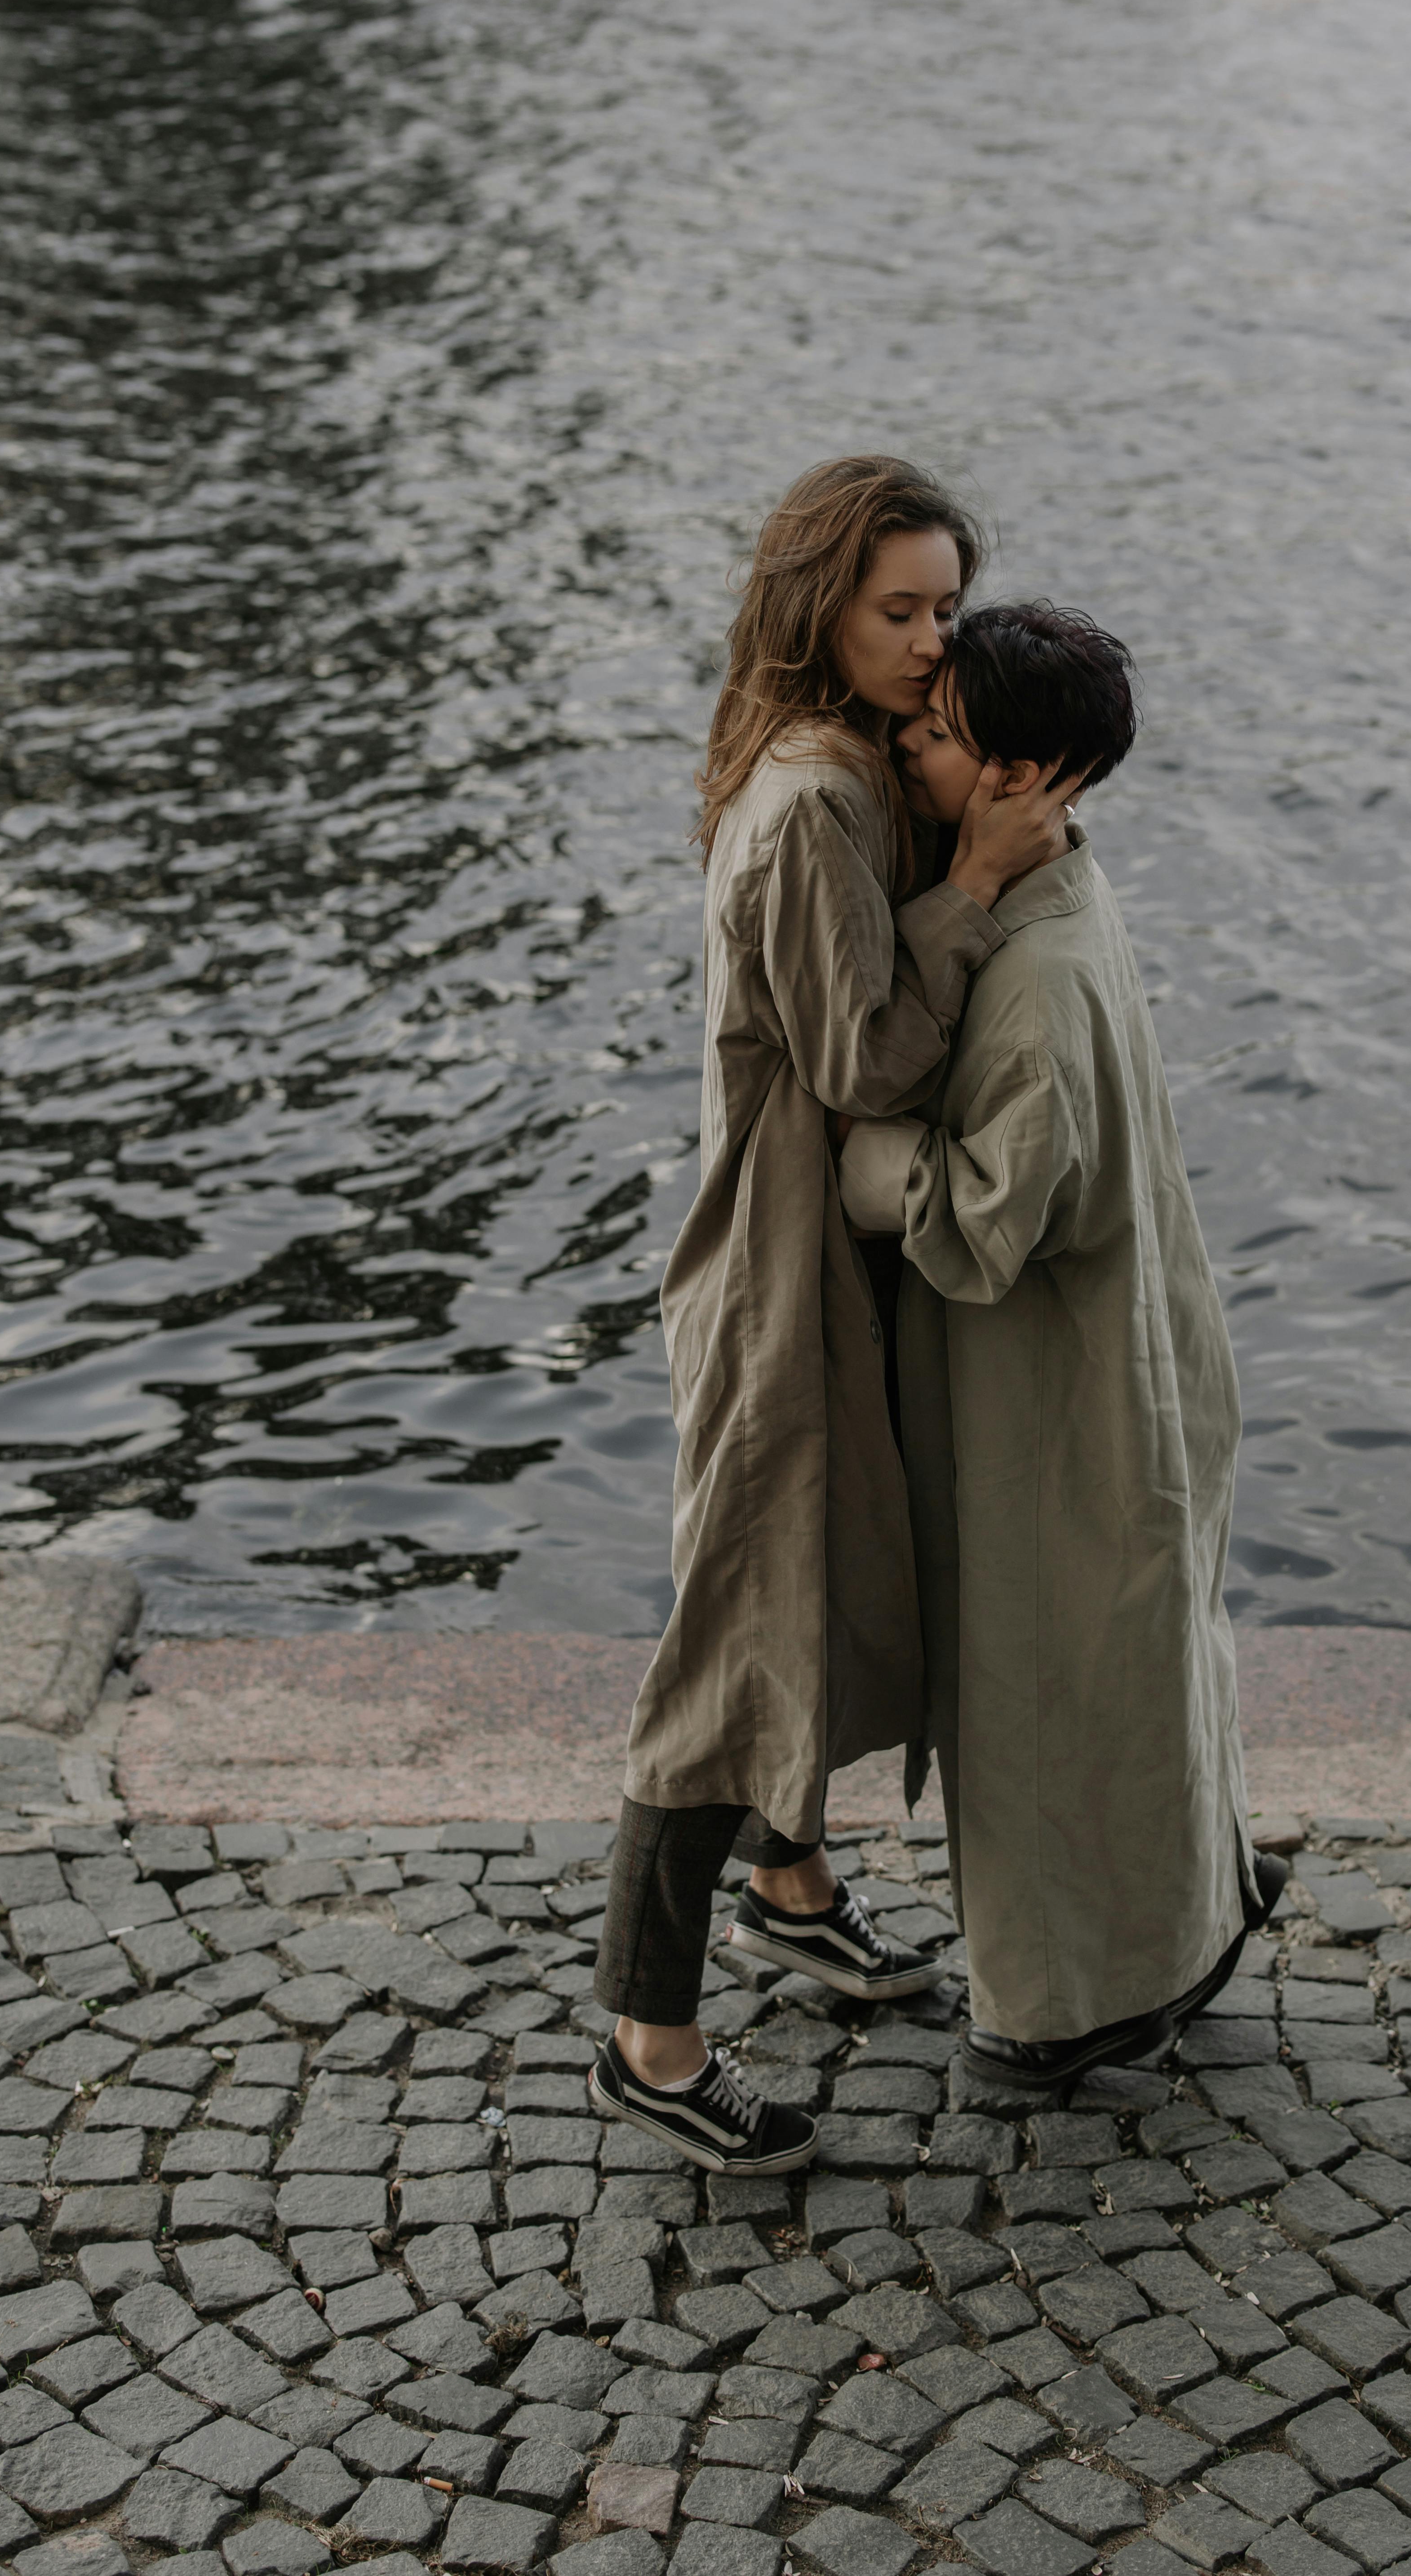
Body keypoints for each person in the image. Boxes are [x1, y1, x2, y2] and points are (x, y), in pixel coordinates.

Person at [588, 459, 1072, 2172]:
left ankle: (790, 1890)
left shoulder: (856, 759)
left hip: (834, 1266)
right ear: (820, 606)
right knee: (735, 1647)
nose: (931, 639)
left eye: (945, 606)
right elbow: (863, 1054)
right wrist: (983, 889)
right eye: (899, 610)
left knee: (832, 1592)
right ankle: (651, 2040)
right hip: (778, 1283)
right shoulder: (806, 803)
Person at [836, 602, 1282, 2090]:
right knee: (1139, 1664)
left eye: (941, 733)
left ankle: (1058, 2006)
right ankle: (1186, 1926)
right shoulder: (1068, 895)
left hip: (1052, 1401)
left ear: (1027, 776)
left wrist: (866, 1162)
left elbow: (984, 1221)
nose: (909, 736)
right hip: (1135, 1354)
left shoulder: (1027, 981)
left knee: (1034, 1697)